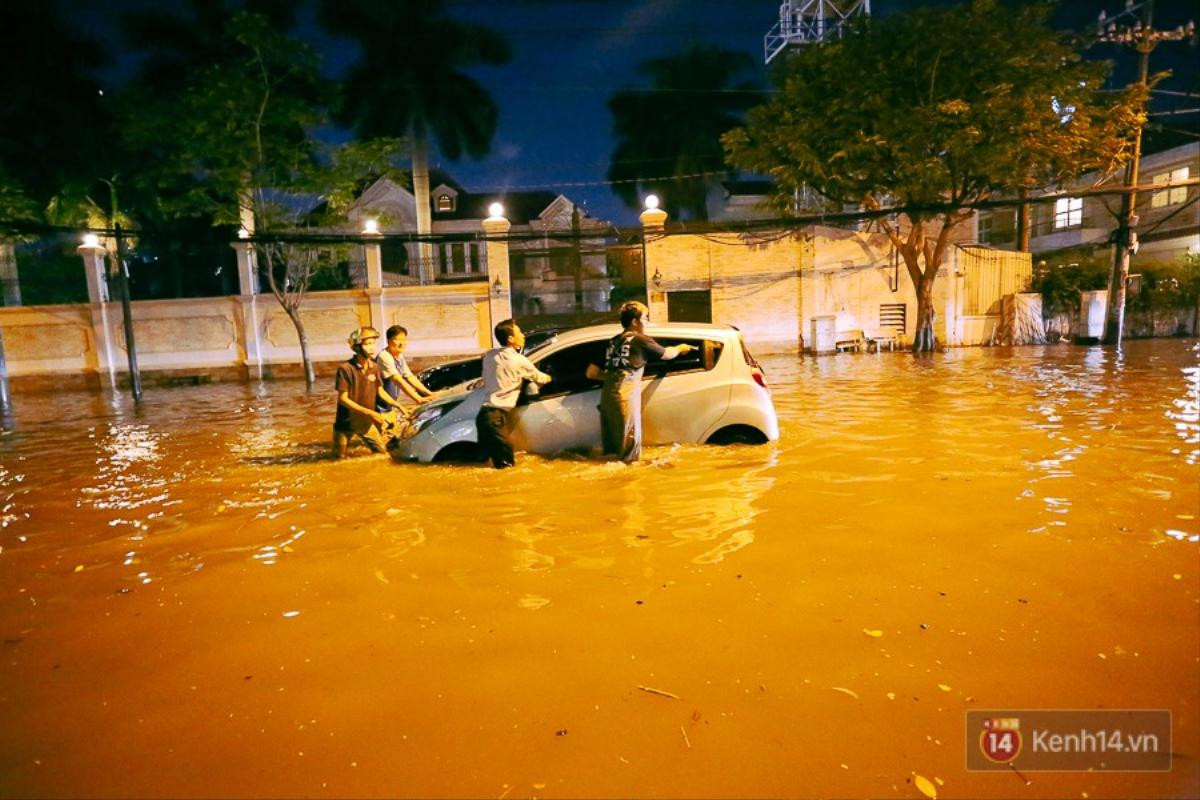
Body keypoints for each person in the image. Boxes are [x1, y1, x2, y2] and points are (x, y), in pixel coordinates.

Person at [586, 301, 694, 463]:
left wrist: (615, 377)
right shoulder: (641, 340)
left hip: (607, 400)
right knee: (629, 455)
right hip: (625, 401)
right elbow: (667, 354)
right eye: (646, 317)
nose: (648, 321)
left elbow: (591, 373)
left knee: (611, 454)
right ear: (635, 322)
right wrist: (680, 347)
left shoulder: (612, 342)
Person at [476, 319, 551, 469]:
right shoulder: (518, 361)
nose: (523, 336)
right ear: (510, 339)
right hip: (496, 419)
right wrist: (551, 378)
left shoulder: (489, 356)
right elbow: (541, 378)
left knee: (486, 465)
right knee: (506, 468)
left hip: (483, 418)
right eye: (519, 333)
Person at [333, 326, 411, 459]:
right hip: (345, 422)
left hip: (365, 422)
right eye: (367, 344)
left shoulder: (374, 367)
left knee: (383, 455)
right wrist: (371, 413)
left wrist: (399, 406)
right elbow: (343, 399)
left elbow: (380, 391)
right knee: (339, 459)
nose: (372, 347)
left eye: (373, 343)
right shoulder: (345, 369)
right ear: (357, 347)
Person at [376, 325, 434, 411]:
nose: (401, 343)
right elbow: (398, 381)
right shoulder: (384, 356)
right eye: (397, 339)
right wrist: (417, 398)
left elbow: (409, 377)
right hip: (378, 406)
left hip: (389, 405)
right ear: (388, 341)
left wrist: (429, 393)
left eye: (403, 339)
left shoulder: (399, 356)